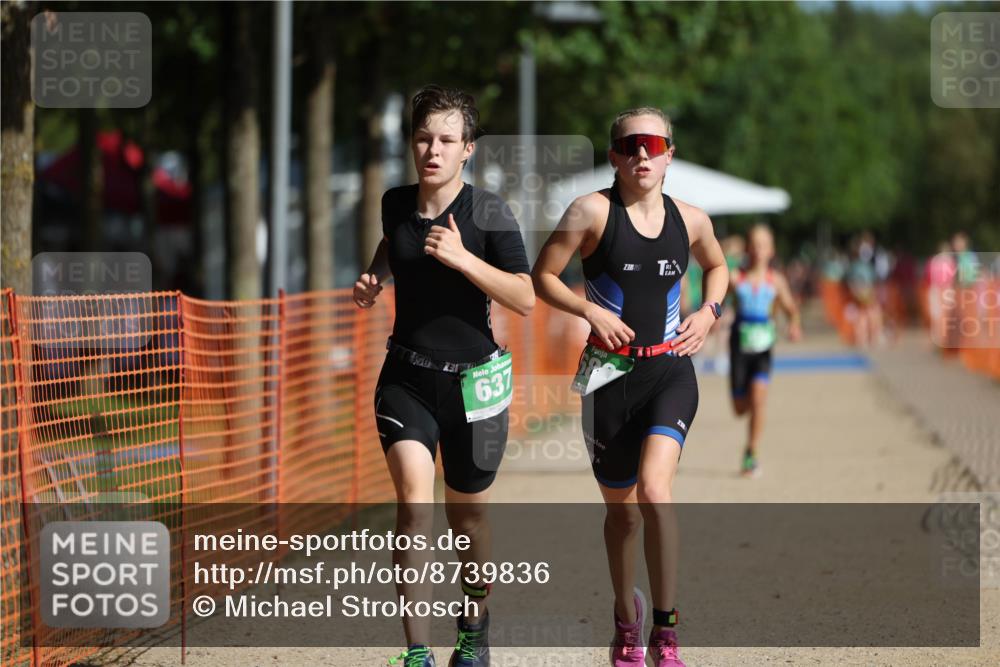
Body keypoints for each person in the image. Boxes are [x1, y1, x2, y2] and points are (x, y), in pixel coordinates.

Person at [532, 107, 728, 667]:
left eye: (654, 143)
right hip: (607, 377)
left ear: (671, 153)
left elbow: (717, 267)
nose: (642, 153)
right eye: (630, 144)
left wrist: (710, 311)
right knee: (621, 513)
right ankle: (626, 619)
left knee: (655, 490)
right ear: (615, 155)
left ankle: (666, 633)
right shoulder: (590, 212)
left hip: (669, 371)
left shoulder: (689, 219)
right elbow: (543, 277)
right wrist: (587, 311)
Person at [354, 85, 534, 667]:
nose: (433, 149)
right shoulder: (395, 202)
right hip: (406, 377)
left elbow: (526, 298)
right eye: (424, 137)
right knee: (414, 505)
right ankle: (416, 653)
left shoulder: (489, 213)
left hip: (474, 388)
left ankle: (474, 623)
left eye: (447, 139)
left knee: (469, 516)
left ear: (468, 151)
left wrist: (464, 260)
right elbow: (393, 243)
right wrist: (375, 275)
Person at [728, 224, 802, 477]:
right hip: (739, 345)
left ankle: (751, 452)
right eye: (755, 244)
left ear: (771, 250)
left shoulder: (776, 281)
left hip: (763, 347)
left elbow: (791, 309)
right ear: (748, 248)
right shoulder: (735, 277)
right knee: (740, 409)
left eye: (764, 245)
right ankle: (746, 399)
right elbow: (713, 300)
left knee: (759, 397)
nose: (759, 249)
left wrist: (793, 325)